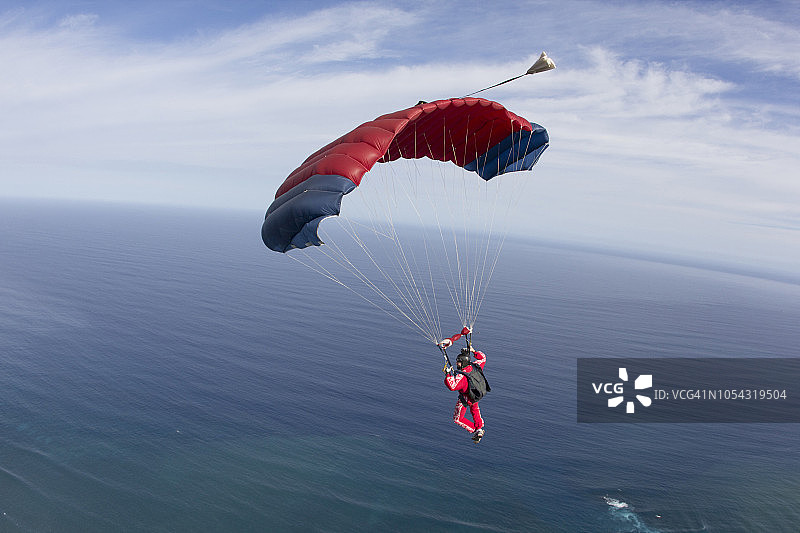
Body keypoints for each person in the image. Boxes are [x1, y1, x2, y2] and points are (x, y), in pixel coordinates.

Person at [443, 345, 487, 443]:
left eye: (458, 362)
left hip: (466, 398)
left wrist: (447, 374)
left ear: (463, 363)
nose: (457, 363)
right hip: (476, 395)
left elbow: (452, 386)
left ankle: (474, 430)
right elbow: (483, 358)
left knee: (457, 419)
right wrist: (473, 351)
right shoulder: (475, 366)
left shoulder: (461, 377)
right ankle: (479, 428)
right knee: (475, 410)